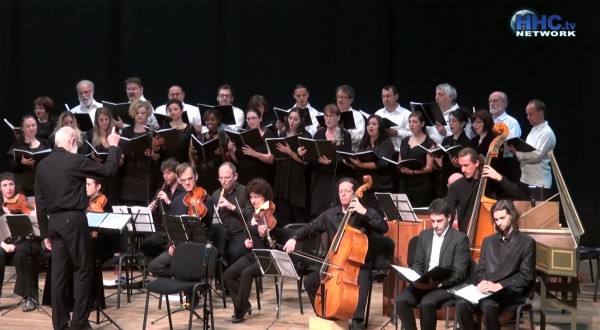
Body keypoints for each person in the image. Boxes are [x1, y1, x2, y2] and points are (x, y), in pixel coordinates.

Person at [34, 125, 120, 330]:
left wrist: (45, 232)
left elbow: (40, 202)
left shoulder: (42, 165)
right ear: (72, 142)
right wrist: (114, 146)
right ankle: (79, 323)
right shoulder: (74, 160)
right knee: (83, 270)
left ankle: (60, 325)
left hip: (53, 223)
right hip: (73, 220)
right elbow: (109, 170)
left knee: (58, 275)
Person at [282, 177, 389, 330]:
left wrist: (364, 211)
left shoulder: (363, 213)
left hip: (359, 264)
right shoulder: (330, 215)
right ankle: (326, 315)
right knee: (310, 282)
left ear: (355, 193)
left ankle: (357, 322)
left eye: (347, 191)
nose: (343, 194)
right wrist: (294, 238)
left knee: (362, 279)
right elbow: (310, 228)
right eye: (341, 191)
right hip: (335, 263)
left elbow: (383, 227)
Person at [456, 199, 536, 330]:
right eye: (496, 219)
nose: (499, 223)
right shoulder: (488, 241)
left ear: (512, 215)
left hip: (511, 290)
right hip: (488, 289)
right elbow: (480, 269)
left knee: (488, 305)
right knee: (461, 303)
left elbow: (526, 276)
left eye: (502, 218)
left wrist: (499, 285)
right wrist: (481, 282)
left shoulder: (527, 242)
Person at [395, 199, 470, 330]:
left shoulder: (460, 239)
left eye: (439, 221)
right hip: (424, 282)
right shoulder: (425, 235)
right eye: (433, 221)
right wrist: (416, 279)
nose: (435, 225)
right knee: (401, 300)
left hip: (445, 285)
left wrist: (437, 284)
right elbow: (418, 263)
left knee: (426, 303)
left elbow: (459, 272)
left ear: (449, 217)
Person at [223, 178, 276, 323]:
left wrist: (265, 236)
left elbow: (272, 244)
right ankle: (245, 304)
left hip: (266, 257)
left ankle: (239, 311)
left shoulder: (270, 214)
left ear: (264, 197)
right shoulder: (250, 213)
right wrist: (246, 241)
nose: (253, 200)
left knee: (246, 274)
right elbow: (247, 233)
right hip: (251, 255)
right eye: (251, 197)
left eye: (257, 197)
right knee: (228, 274)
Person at [147, 162, 214, 278]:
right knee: (154, 266)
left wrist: (200, 211)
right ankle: (179, 278)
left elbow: (208, 226)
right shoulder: (176, 201)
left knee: (184, 265)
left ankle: (186, 283)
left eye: (190, 179)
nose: (187, 183)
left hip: (198, 247)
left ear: (196, 177)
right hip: (179, 246)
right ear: (178, 179)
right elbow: (172, 229)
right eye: (183, 180)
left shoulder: (206, 199)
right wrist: (171, 245)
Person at [445, 148, 521, 232]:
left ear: (476, 163)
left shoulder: (490, 181)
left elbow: (516, 193)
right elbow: (448, 214)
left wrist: (500, 178)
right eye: (461, 166)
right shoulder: (456, 186)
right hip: (465, 234)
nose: (463, 170)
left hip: (492, 231)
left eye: (466, 165)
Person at [0, 172, 41, 312]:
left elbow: (36, 226)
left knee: (23, 252)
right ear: (0, 188)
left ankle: (30, 297)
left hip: (25, 241)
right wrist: (3, 245)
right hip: (5, 243)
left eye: (11, 184)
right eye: (5, 185)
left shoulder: (23, 202)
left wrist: (34, 215)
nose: (9, 188)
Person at [302, 104, 351, 218]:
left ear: (338, 118)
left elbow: (345, 157)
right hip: (319, 177)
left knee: (334, 212)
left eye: (331, 116)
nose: (328, 119)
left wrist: (331, 162)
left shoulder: (343, 135)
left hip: (335, 177)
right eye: (326, 116)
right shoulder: (319, 134)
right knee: (318, 211)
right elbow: (313, 153)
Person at [507, 99, 556, 201]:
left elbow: (537, 155)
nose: (528, 117)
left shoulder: (547, 133)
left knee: (537, 215)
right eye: (527, 114)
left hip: (538, 182)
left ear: (541, 113)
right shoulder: (534, 129)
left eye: (531, 114)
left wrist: (517, 153)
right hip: (525, 179)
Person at [344, 115, 396, 212]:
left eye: (374, 124)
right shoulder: (364, 142)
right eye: (368, 124)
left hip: (379, 187)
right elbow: (359, 158)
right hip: (363, 187)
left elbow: (381, 163)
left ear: (380, 127)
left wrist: (361, 165)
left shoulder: (387, 144)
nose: (370, 126)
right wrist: (352, 163)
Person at [273, 107, 312, 225]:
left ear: (301, 121)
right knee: (283, 215)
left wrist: (289, 152)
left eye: (295, 119)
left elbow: (305, 162)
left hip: (297, 179)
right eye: (290, 118)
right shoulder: (283, 133)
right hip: (283, 178)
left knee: (297, 215)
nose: (292, 121)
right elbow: (277, 156)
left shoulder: (305, 135)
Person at [140, 158, 186, 260]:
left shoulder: (183, 192)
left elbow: (180, 213)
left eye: (168, 173)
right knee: (145, 244)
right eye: (163, 173)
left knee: (171, 248)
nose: (165, 176)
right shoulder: (160, 191)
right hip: (161, 231)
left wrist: (168, 201)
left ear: (176, 173)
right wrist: (152, 210)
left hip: (175, 233)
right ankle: (159, 261)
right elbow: (157, 216)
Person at [211, 162, 250, 265]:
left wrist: (231, 206)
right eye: (221, 178)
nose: (223, 181)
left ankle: (231, 279)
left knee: (232, 253)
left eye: (227, 178)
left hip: (240, 234)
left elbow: (250, 214)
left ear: (235, 176)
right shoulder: (216, 194)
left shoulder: (245, 191)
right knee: (211, 254)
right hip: (222, 234)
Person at [119, 100, 157, 204]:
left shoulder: (152, 131)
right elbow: (122, 149)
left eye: (143, 113)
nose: (140, 115)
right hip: (129, 173)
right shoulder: (127, 131)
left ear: (147, 113)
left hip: (146, 174)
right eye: (137, 113)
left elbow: (159, 156)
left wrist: (153, 154)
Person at [227, 108, 275, 186]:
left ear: (260, 118)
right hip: (244, 177)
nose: (251, 121)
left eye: (254, 118)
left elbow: (271, 159)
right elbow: (238, 161)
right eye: (248, 119)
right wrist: (231, 150)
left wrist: (254, 153)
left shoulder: (268, 134)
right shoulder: (243, 136)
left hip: (260, 177)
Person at [397, 111, 436, 207]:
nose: (411, 124)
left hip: (421, 185)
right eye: (409, 122)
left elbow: (429, 167)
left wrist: (413, 172)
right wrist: (400, 167)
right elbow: (400, 161)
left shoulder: (429, 143)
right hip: (404, 183)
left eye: (414, 122)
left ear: (422, 124)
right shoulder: (404, 141)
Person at [9, 115, 51, 196]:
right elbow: (12, 166)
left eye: (33, 125)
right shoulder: (18, 144)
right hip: (25, 186)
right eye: (28, 126)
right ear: (22, 129)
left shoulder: (45, 142)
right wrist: (22, 163)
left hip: (43, 183)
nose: (31, 128)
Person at [433, 109, 471, 198]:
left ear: (462, 124)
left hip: (457, 176)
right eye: (449, 121)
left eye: (454, 121)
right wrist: (434, 155)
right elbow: (441, 160)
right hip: (444, 177)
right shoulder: (446, 140)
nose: (451, 123)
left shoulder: (467, 142)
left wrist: (458, 164)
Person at [191, 108, 230, 195]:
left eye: (212, 119)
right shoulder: (199, 138)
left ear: (218, 120)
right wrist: (192, 153)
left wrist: (222, 153)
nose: (209, 122)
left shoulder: (224, 137)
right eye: (207, 120)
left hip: (217, 174)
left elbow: (228, 162)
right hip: (202, 173)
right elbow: (196, 160)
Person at [488, 91, 522, 183]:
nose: (492, 103)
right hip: (488, 161)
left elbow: (512, 145)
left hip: (505, 163)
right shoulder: (486, 121)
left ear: (504, 104)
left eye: (495, 101)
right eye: (490, 101)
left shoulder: (512, 122)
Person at [154, 99, 195, 164]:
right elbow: (159, 151)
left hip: (184, 164)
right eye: (170, 110)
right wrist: (155, 145)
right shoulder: (163, 128)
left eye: (175, 109)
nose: (173, 112)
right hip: (168, 164)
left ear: (181, 110)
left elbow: (192, 150)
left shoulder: (190, 128)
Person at [374, 85, 411, 151]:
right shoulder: (378, 114)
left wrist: (396, 133)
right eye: (383, 97)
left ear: (396, 96)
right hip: (380, 152)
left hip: (399, 152)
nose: (385, 99)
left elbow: (413, 134)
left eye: (388, 96)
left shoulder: (407, 114)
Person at [336, 85, 365, 152]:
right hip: (333, 150)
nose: (340, 100)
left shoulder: (357, 115)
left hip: (350, 152)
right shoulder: (333, 114)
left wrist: (343, 132)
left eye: (343, 97)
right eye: (338, 97)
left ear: (350, 100)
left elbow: (359, 136)